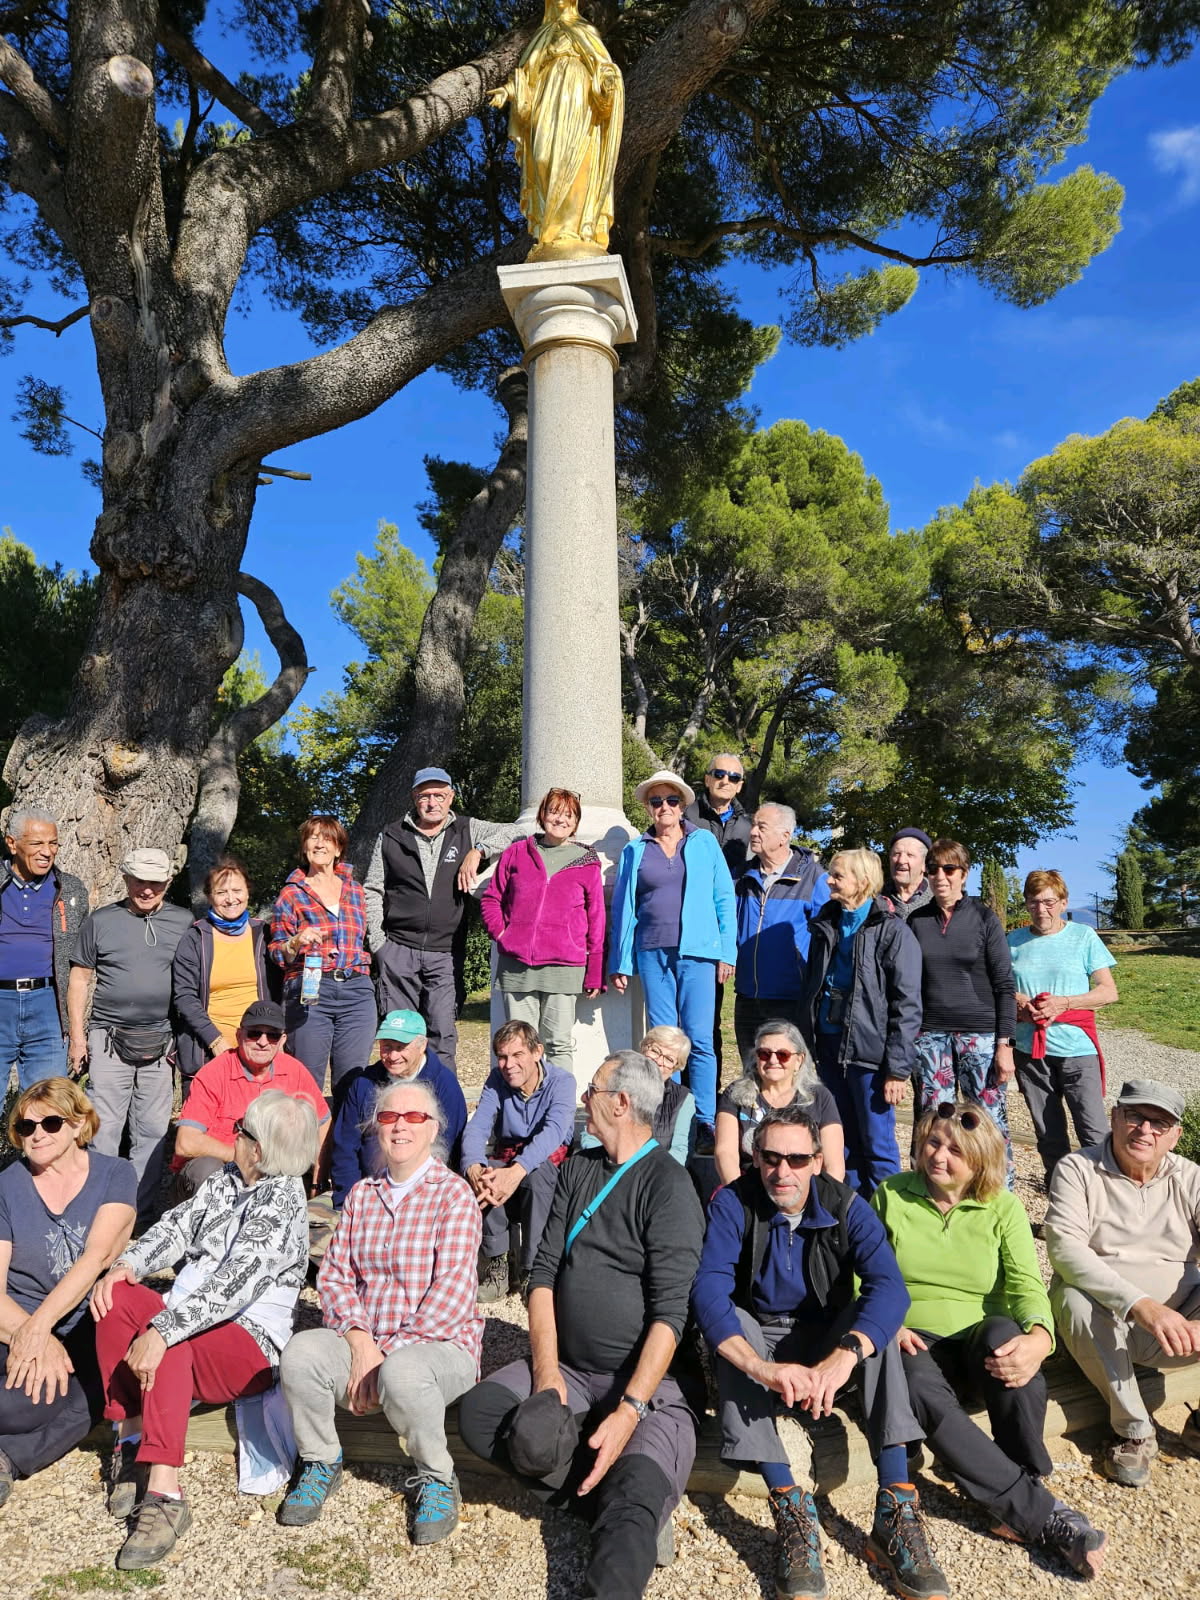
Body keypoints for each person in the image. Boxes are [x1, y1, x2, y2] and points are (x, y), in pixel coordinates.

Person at [458, 1050, 705, 1599]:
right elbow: (541, 1276)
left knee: (635, 1495)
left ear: (621, 1103)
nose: (582, 1099)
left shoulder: (668, 1186)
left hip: (650, 1386)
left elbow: (670, 1315)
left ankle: (629, 1505)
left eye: (592, 1089)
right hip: (570, 1368)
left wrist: (630, 1409)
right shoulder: (578, 1169)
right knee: (483, 1415)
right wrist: (547, 1377)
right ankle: (613, 1503)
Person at [692, 1104, 947, 1600]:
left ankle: (894, 1506)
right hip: (761, 1338)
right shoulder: (733, 1203)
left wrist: (844, 1356)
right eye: (770, 1158)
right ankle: (789, 1503)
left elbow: (890, 1286)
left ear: (816, 1160)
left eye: (797, 1159)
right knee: (733, 1325)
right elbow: (708, 1290)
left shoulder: (847, 1205)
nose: (782, 1171)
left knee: (878, 1324)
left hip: (822, 1335)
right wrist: (761, 1367)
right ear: (754, 1157)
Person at [873, 1103, 1107, 1579]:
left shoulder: (1002, 1205)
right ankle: (1040, 1512)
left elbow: (1026, 1284)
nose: (938, 1156)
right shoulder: (891, 1196)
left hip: (979, 1347)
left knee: (1011, 1342)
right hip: (913, 1340)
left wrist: (1041, 1337)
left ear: (980, 1161)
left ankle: (1022, 1483)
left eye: (955, 1150)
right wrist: (887, 1324)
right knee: (913, 1381)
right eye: (933, 1143)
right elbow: (866, 1278)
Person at [91, 1090, 319, 1568]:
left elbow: (232, 1288)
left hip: (248, 1344)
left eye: (242, 1129)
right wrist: (127, 1264)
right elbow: (175, 1228)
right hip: (195, 1316)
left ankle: (166, 1493)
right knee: (115, 1298)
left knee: (173, 1336)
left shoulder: (283, 1203)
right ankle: (130, 1438)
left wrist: (164, 1328)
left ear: (260, 1149)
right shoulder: (227, 1181)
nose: (232, 1134)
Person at [280, 1079, 482, 1544]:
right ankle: (320, 1459)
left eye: (414, 1118)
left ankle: (436, 1476)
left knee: (404, 1375)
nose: (400, 1127)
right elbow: (333, 1277)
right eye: (390, 1117)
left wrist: (382, 1357)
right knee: (301, 1354)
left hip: (439, 1346)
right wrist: (359, 1339)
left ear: (433, 1130)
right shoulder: (363, 1196)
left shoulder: (453, 1196)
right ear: (377, 1128)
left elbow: (449, 1297)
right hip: (366, 1340)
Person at [1047, 1078, 1200, 1489]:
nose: (1145, 1130)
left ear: (1175, 1136)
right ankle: (1134, 1431)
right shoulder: (1078, 1169)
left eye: (1159, 1123)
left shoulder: (1191, 1178)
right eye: (1135, 1116)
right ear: (1114, 1117)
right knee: (1072, 1297)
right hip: (1104, 1322)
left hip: (1181, 1326)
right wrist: (1142, 1305)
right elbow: (1064, 1250)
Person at [0, 1079, 134, 1505]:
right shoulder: (8, 1184)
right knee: (16, 1406)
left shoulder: (115, 1174)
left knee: (83, 1396)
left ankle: (8, 1458)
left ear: (79, 1125)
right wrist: (32, 1334)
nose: (36, 1134)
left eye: (50, 1123)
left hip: (83, 1327)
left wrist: (45, 1329)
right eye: (25, 1127)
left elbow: (95, 1258)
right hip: (13, 1321)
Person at [364, 766, 526, 1072]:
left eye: (440, 794)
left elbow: (520, 831)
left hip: (445, 952)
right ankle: (401, 1105)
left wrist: (479, 850)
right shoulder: (391, 835)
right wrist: (379, 945)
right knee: (400, 1037)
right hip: (397, 949)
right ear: (414, 798)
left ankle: (441, 1109)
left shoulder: (466, 829)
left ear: (451, 797)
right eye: (425, 795)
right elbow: (372, 889)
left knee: (442, 1032)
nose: (432, 802)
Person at [609, 770, 736, 1154]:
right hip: (652, 952)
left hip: (697, 954)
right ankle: (668, 1117)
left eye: (671, 801)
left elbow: (724, 899)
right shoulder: (635, 849)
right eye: (656, 801)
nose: (664, 807)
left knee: (699, 1040)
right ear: (648, 807)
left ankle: (706, 1122)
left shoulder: (704, 843)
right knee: (662, 1042)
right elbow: (624, 908)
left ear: (683, 805)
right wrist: (621, 961)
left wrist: (726, 952)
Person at [67, 847, 192, 1223]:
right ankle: (96, 1210)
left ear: (168, 882)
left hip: (161, 1041)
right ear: (126, 879)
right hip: (107, 1038)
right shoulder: (101, 921)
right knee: (103, 1128)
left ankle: (134, 1216)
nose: (147, 889)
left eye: (155, 882)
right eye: (140, 880)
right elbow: (80, 978)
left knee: (152, 1132)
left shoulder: (185, 921)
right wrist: (77, 1036)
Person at [801, 848, 919, 1197]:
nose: (829, 880)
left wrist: (897, 1069)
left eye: (838, 875)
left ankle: (885, 1226)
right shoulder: (826, 923)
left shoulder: (892, 931)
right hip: (828, 1044)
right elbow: (813, 984)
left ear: (862, 883)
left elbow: (907, 1005)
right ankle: (850, 1217)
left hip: (869, 1053)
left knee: (876, 1143)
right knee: (840, 1138)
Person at [906, 839, 1017, 1182]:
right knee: (934, 1120)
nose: (941, 876)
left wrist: (1005, 1045)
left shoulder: (984, 919)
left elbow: (1005, 985)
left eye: (949, 869)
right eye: (934, 869)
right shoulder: (916, 921)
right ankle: (934, 1192)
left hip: (979, 1036)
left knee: (986, 1121)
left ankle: (999, 1195)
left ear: (964, 875)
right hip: (930, 1036)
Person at [480, 786, 605, 1076]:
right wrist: (502, 934)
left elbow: (596, 918)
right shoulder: (517, 853)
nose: (560, 820)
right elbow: (491, 898)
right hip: (517, 965)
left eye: (568, 815)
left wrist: (595, 970)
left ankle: (558, 1112)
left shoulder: (586, 863)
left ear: (576, 823)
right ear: (542, 815)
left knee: (558, 1043)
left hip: (565, 966)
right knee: (520, 1045)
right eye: (554, 812)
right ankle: (524, 1108)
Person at [1007, 870, 1118, 1181]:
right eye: (1033, 903)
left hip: (1076, 1049)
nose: (1041, 910)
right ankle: (1060, 1203)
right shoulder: (1012, 942)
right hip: (1030, 1052)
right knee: (1049, 1135)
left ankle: (1106, 1204)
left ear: (1063, 902)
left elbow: (1108, 991)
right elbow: (998, 987)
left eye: (1048, 902)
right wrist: (1019, 999)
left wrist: (1063, 1003)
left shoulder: (1083, 937)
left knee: (1093, 1130)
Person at [461, 1020, 575, 1303]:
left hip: (547, 1159)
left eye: (516, 1055)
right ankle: (497, 1262)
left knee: (537, 1179)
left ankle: (533, 1269)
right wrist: (474, 1165)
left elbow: (554, 1133)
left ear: (537, 1052)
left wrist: (517, 1171)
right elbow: (478, 1126)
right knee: (488, 1176)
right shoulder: (495, 1080)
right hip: (509, 1154)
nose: (508, 1064)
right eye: (502, 1056)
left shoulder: (562, 1082)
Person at [171, 1000, 330, 1197]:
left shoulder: (294, 1070)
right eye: (254, 1033)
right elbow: (186, 1143)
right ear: (239, 1036)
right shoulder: (213, 1073)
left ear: (282, 1041)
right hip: (223, 1168)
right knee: (206, 1170)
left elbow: (323, 1122)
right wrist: (244, 1158)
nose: (263, 1042)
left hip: (274, 1170)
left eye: (272, 1035)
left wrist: (318, 1178)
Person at [270, 815, 375, 1097]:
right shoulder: (290, 894)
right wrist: (295, 942)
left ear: (338, 848)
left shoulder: (355, 890)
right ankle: (307, 1142)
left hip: (357, 990)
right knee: (305, 1083)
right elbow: (276, 952)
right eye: (313, 837)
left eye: (327, 838)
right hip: (310, 990)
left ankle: (344, 1142)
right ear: (304, 847)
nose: (319, 844)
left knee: (353, 1083)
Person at [330, 1009, 467, 1209]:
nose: (392, 1056)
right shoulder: (363, 1084)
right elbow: (345, 1147)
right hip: (367, 1192)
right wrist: (348, 1201)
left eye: (401, 1047)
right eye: (386, 1046)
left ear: (422, 1046)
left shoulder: (444, 1085)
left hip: (424, 1197)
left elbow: (447, 1149)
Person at [0, 807, 88, 1090]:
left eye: (53, 843)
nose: (47, 852)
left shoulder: (71, 889)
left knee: (46, 1103)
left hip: (47, 1005)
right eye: (37, 843)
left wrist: (76, 1034)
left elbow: (80, 966)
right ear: (12, 844)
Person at [171, 855, 279, 1086]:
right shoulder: (195, 938)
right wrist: (215, 1041)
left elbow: (281, 991)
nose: (231, 899)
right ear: (210, 897)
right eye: (221, 893)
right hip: (209, 1050)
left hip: (260, 1049)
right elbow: (184, 996)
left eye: (237, 890)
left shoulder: (265, 934)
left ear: (248, 892)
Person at [733, 805, 829, 1058]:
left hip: (790, 1000)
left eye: (761, 827)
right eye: (754, 825)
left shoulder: (813, 879)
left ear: (784, 836)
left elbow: (830, 935)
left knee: (786, 1076)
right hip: (747, 995)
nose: (753, 832)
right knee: (750, 1072)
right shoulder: (744, 877)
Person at [714, 1019, 845, 1186]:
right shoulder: (735, 1093)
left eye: (783, 1055)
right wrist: (737, 1195)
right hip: (750, 1189)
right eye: (764, 1054)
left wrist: (823, 1202)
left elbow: (834, 1164)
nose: (773, 1060)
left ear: (799, 1060)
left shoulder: (819, 1097)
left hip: (805, 1192)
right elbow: (725, 1153)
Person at [685, 753, 752, 1071]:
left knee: (708, 1024)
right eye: (719, 774)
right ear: (708, 778)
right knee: (678, 1024)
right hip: (685, 929)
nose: (726, 780)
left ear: (740, 786)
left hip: (725, 929)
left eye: (734, 777)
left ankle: (706, 1109)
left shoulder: (750, 826)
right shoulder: (684, 816)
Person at [638, 1026, 695, 1165]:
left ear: (676, 1067)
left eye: (669, 1059)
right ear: (644, 1048)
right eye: (655, 1051)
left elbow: (680, 1151)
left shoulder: (684, 1099)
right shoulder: (617, 1084)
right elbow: (593, 1136)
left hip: (658, 1178)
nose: (658, 1061)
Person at [878, 828, 933, 922]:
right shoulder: (875, 899)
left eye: (910, 855)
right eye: (896, 854)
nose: (901, 860)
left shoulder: (938, 900)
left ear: (924, 864)